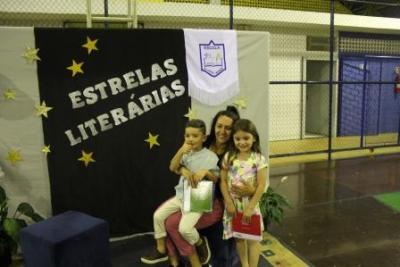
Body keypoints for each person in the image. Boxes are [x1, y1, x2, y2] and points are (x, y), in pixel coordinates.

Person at [165, 106, 252, 267]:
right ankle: (187, 260)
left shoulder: (234, 152)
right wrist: (185, 170)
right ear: (213, 127)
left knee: (222, 252)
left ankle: (216, 258)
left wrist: (207, 173)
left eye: (228, 128)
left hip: (217, 202)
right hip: (192, 195)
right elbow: (178, 165)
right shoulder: (203, 141)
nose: (222, 131)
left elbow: (236, 181)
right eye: (219, 126)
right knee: (168, 221)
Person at [141, 119, 219, 267]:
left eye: (195, 136)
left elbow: (216, 178)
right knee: (158, 216)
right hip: (182, 194)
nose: (190, 139)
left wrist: (206, 172)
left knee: (184, 229)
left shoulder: (210, 156)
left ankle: (200, 242)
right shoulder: (185, 153)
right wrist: (181, 151)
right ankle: (161, 249)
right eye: (187, 135)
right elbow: (172, 166)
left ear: (203, 137)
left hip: (199, 197)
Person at [220, 119, 268, 267]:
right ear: (233, 139)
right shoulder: (229, 157)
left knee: (253, 238)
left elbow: (261, 185)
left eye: (246, 138)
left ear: (254, 137)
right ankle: (244, 264)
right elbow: (222, 181)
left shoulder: (258, 159)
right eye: (237, 138)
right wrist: (228, 201)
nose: (242, 142)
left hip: (250, 204)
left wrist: (250, 207)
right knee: (239, 237)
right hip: (233, 205)